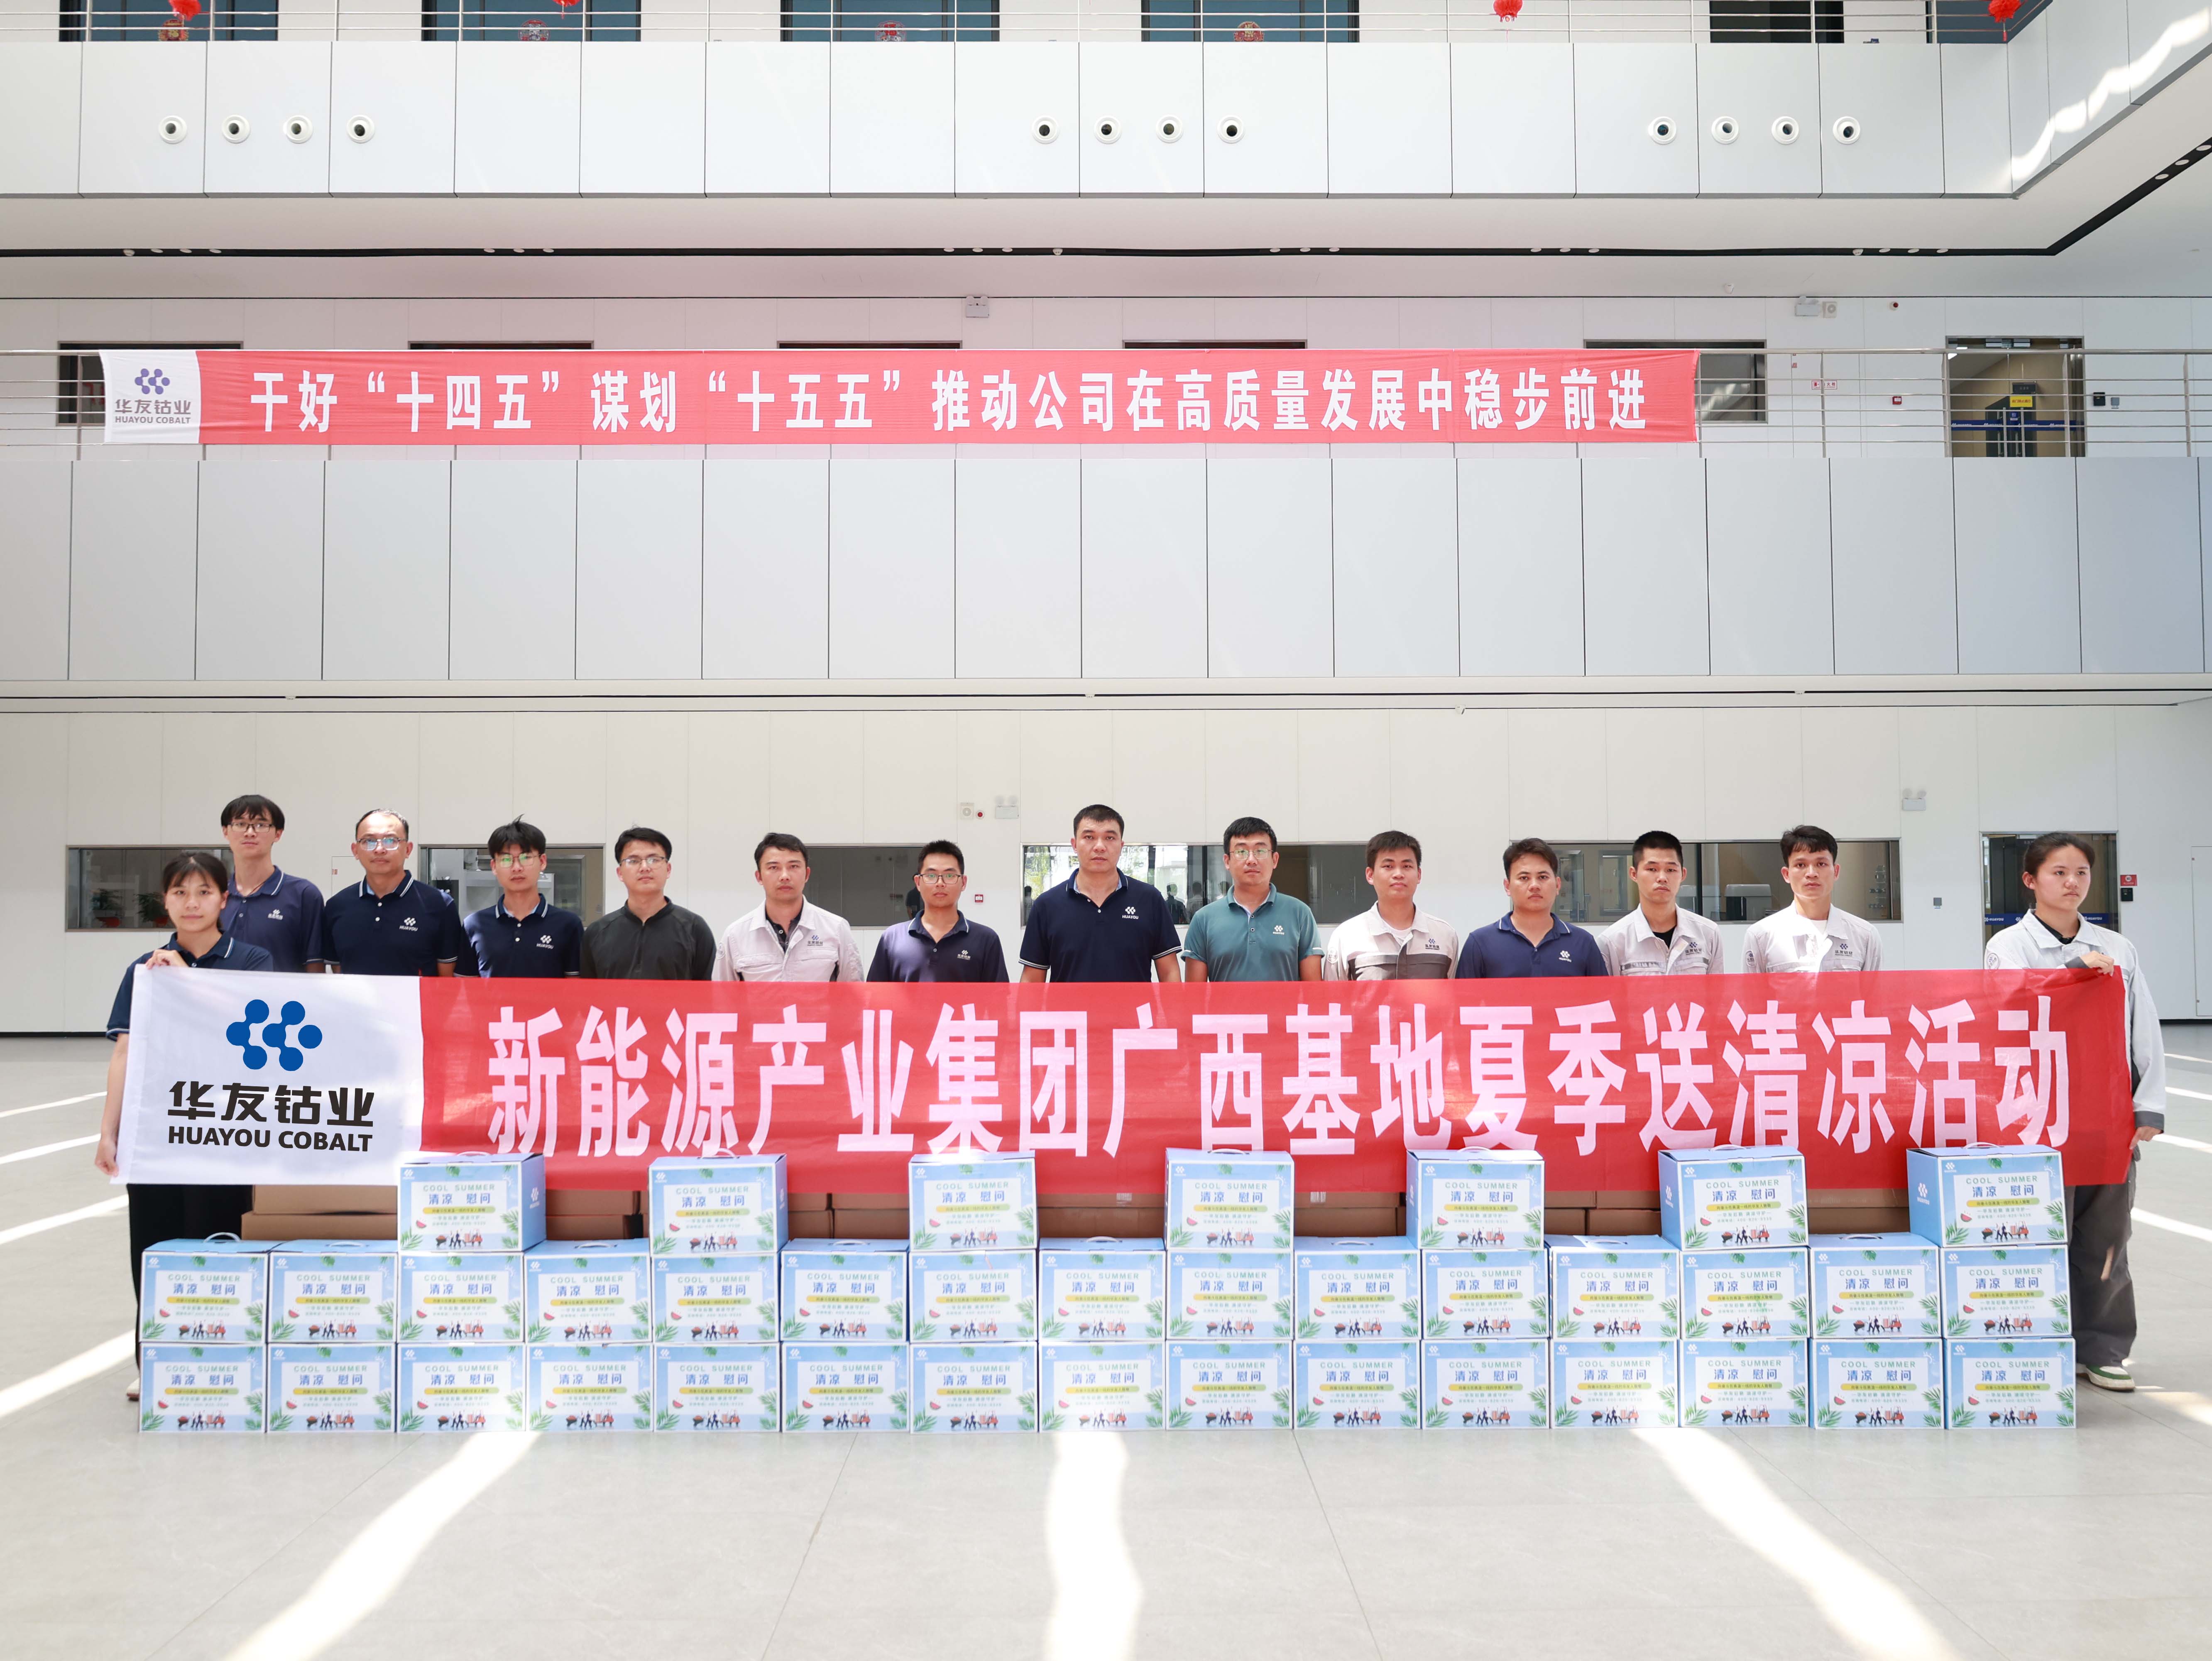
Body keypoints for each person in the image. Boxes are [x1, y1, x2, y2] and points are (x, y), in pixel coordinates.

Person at [1984, 831, 2165, 1392]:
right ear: (2030, 880)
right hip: (2038, 1114)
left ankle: (2103, 1347)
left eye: (2081, 872)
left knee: (2105, 1236)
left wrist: (2148, 1106)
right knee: (2040, 1231)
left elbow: (2143, 1027)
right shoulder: (2009, 947)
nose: (2072, 883)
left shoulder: (2118, 949)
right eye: (2058, 872)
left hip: (2105, 1113)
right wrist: (2071, 974)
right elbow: (2006, 1011)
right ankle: (2041, 1343)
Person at [91, 850, 274, 1396]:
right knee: (154, 1243)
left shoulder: (253, 961)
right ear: (165, 901)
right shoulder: (143, 970)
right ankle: (153, 1360)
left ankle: (224, 1354)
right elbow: (125, 1051)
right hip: (157, 1129)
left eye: (203, 892)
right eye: (179, 893)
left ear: (224, 899)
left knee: (218, 1237)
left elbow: (250, 1039)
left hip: (225, 1127)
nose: (192, 903)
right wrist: (109, 1130)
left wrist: (188, 979)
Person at [1019, 804, 1182, 983]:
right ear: (1075, 844)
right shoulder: (1047, 905)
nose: (1099, 847)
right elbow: (1032, 980)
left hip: (1134, 1003)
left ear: (1121, 846)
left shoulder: (1150, 899)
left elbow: (1170, 973)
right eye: (1089, 837)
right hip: (1069, 1004)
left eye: (1109, 838)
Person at [317, 809, 468, 976]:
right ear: (355, 850)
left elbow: (447, 980)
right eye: (369, 841)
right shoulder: (337, 906)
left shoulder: (440, 905)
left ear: (408, 849)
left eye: (391, 841)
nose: (379, 849)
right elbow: (339, 972)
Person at [1182, 817, 1321, 983]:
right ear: (1227, 861)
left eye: (1260, 851)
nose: (1251, 860)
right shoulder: (1204, 919)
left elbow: (1314, 990)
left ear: (1275, 860)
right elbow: (1195, 994)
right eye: (1241, 852)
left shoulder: (1300, 914)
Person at [713, 833, 864, 982]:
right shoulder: (735, 935)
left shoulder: (837, 929)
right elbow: (722, 995)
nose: (785, 876)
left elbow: (853, 992)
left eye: (794, 866)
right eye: (774, 868)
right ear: (759, 877)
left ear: (807, 874)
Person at [580, 827, 717, 980]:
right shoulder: (597, 933)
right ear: (620, 873)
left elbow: (706, 990)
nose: (645, 868)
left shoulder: (695, 929)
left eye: (654, 860)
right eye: (633, 861)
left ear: (668, 869)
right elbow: (588, 992)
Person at [1741, 824, 1882, 973]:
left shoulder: (1865, 935)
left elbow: (1875, 988)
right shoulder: (1761, 936)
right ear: (1787, 875)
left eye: (1821, 864)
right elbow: (1752, 988)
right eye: (1801, 865)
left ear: (1836, 872)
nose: (1812, 873)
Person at [1457, 838, 1606, 978]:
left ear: (1558, 885)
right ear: (1508, 886)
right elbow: (1463, 997)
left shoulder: (1583, 943)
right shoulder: (1480, 943)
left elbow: (1603, 995)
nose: (1534, 886)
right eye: (1524, 878)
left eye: (1543, 877)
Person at [1321, 831, 1458, 980]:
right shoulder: (1347, 936)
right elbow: (1332, 994)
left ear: (1419, 875)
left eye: (1407, 866)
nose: (1398, 874)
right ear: (1370, 875)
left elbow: (1456, 992)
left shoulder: (1445, 935)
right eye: (1388, 866)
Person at [869, 841, 1008, 982]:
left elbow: (999, 995)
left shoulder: (986, 940)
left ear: (963, 882)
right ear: (918, 882)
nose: (940, 883)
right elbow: (876, 994)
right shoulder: (892, 939)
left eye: (949, 876)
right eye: (931, 876)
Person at [461, 818, 582, 979]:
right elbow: (465, 988)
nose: (517, 868)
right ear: (494, 867)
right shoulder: (474, 925)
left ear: (542, 862)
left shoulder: (568, 925)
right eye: (506, 860)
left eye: (526, 858)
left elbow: (576, 988)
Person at [216, 793, 323, 973]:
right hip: (220, 992)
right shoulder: (215, 896)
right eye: (240, 824)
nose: (250, 833)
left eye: (261, 825)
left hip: (281, 993)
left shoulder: (303, 894)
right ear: (226, 831)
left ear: (278, 834)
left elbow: (315, 967)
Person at [1598, 830, 1723, 976]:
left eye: (1671, 870)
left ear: (1683, 874)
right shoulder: (1613, 941)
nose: (1662, 878)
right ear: (1634, 874)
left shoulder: (1708, 934)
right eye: (1652, 869)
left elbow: (1717, 990)